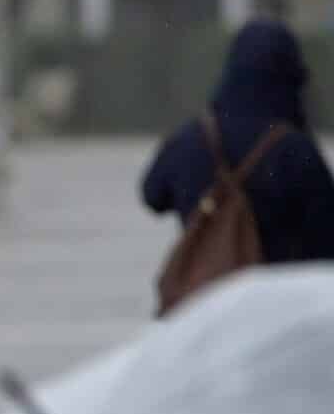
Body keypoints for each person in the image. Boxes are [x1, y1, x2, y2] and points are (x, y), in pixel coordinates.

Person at [142, 19, 334, 263]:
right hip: (278, 296)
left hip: (207, 295)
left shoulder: (191, 138)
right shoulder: (294, 150)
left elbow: (153, 195)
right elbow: (326, 238)